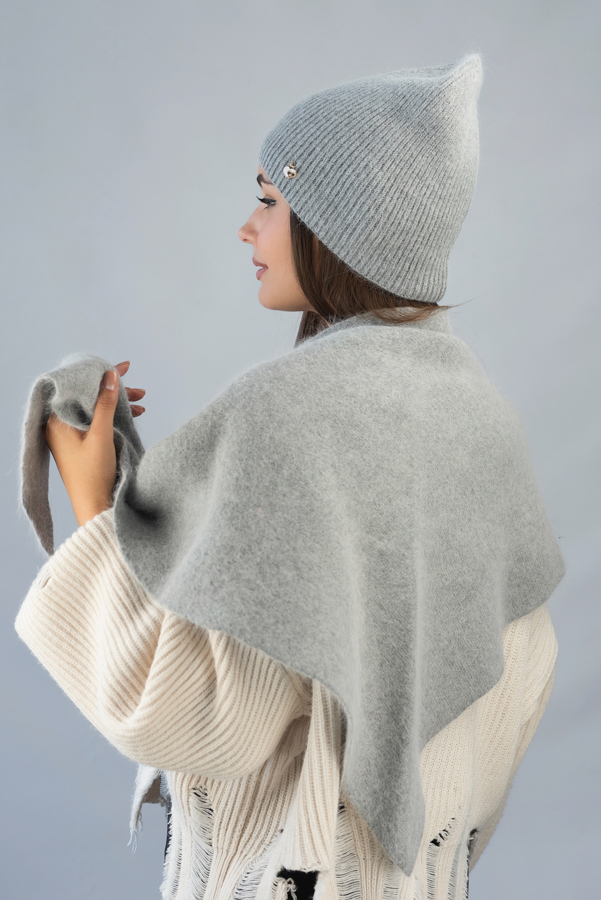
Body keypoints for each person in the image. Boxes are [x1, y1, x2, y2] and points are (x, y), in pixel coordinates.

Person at [15, 55, 564, 900]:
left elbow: (185, 711)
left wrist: (93, 503)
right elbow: (511, 690)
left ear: (342, 226)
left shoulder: (290, 419)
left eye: (270, 200)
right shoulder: (480, 419)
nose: (247, 228)